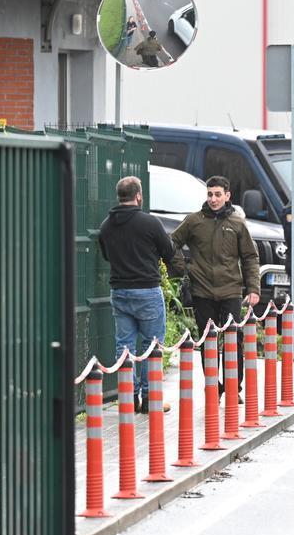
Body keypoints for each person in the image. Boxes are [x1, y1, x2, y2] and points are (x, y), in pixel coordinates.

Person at [98, 176, 180, 414]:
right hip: (146, 290)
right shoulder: (150, 223)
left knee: (124, 346)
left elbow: (106, 255)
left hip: (120, 291)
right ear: (138, 195)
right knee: (151, 345)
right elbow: (169, 251)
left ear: (119, 196)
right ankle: (150, 399)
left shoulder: (106, 225)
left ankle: (129, 399)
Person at [171, 175, 261, 390]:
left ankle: (234, 386)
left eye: (218, 194)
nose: (213, 199)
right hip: (202, 291)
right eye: (210, 194)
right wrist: (183, 268)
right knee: (208, 341)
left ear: (227, 195)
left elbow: (250, 257)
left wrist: (254, 288)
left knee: (233, 339)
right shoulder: (194, 221)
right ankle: (213, 386)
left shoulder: (238, 223)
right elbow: (171, 243)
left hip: (231, 290)